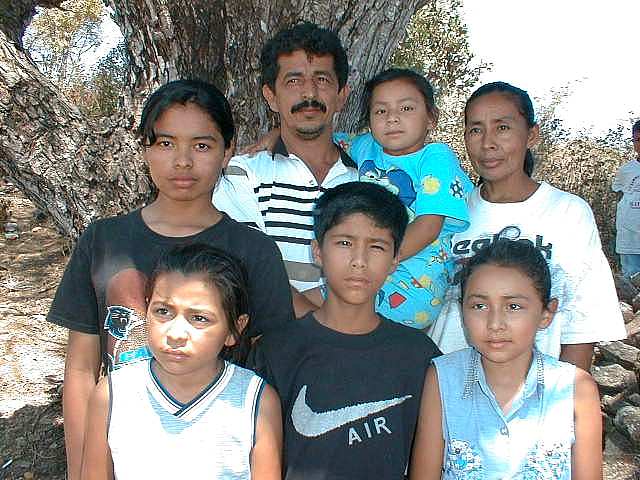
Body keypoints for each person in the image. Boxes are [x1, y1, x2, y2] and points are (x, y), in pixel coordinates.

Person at [47, 80, 293, 480]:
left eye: (202, 145)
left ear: (227, 150)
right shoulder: (103, 240)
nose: (182, 161)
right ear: (145, 148)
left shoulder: (255, 251)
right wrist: (80, 469)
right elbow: (80, 368)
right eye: (165, 143)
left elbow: (274, 369)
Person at [249, 182, 441, 480]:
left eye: (376, 246)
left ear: (395, 259)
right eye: (344, 243)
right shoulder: (275, 351)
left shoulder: (420, 356)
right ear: (317, 252)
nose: (359, 261)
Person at [429, 81, 626, 371]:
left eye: (503, 127)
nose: (488, 143)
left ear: (531, 135)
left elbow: (581, 324)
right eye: (476, 129)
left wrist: (566, 394)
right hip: (445, 384)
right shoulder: (446, 214)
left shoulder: (567, 213)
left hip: (534, 389)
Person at [80, 244, 283, 479]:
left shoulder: (256, 400)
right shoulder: (112, 394)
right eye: (163, 311)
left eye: (199, 318)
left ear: (234, 329)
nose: (175, 334)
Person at [410, 239, 602, 479]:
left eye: (513, 306)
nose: (495, 324)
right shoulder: (442, 378)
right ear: (462, 310)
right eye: (479, 306)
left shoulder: (576, 388)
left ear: (546, 313)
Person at [212, 22, 358, 318]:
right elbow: (250, 270)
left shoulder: (367, 179)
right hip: (274, 340)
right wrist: (327, 330)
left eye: (322, 79)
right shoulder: (244, 174)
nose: (309, 93)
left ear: (342, 95)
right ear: (271, 96)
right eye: (293, 81)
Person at [612, 119, 640, 279]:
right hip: (630, 240)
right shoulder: (626, 170)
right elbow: (618, 193)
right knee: (630, 282)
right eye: (637, 140)